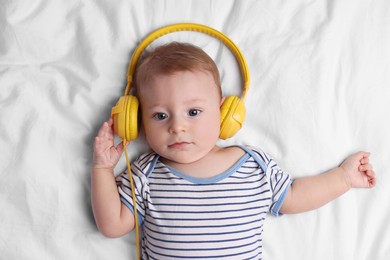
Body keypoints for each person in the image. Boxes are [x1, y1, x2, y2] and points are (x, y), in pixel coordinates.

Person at [91, 42, 376, 259]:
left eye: (193, 111)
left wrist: (344, 178)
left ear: (224, 112)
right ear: (136, 121)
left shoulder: (252, 164)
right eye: (160, 116)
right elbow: (112, 225)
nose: (178, 127)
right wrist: (102, 169)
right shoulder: (145, 173)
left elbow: (294, 195)